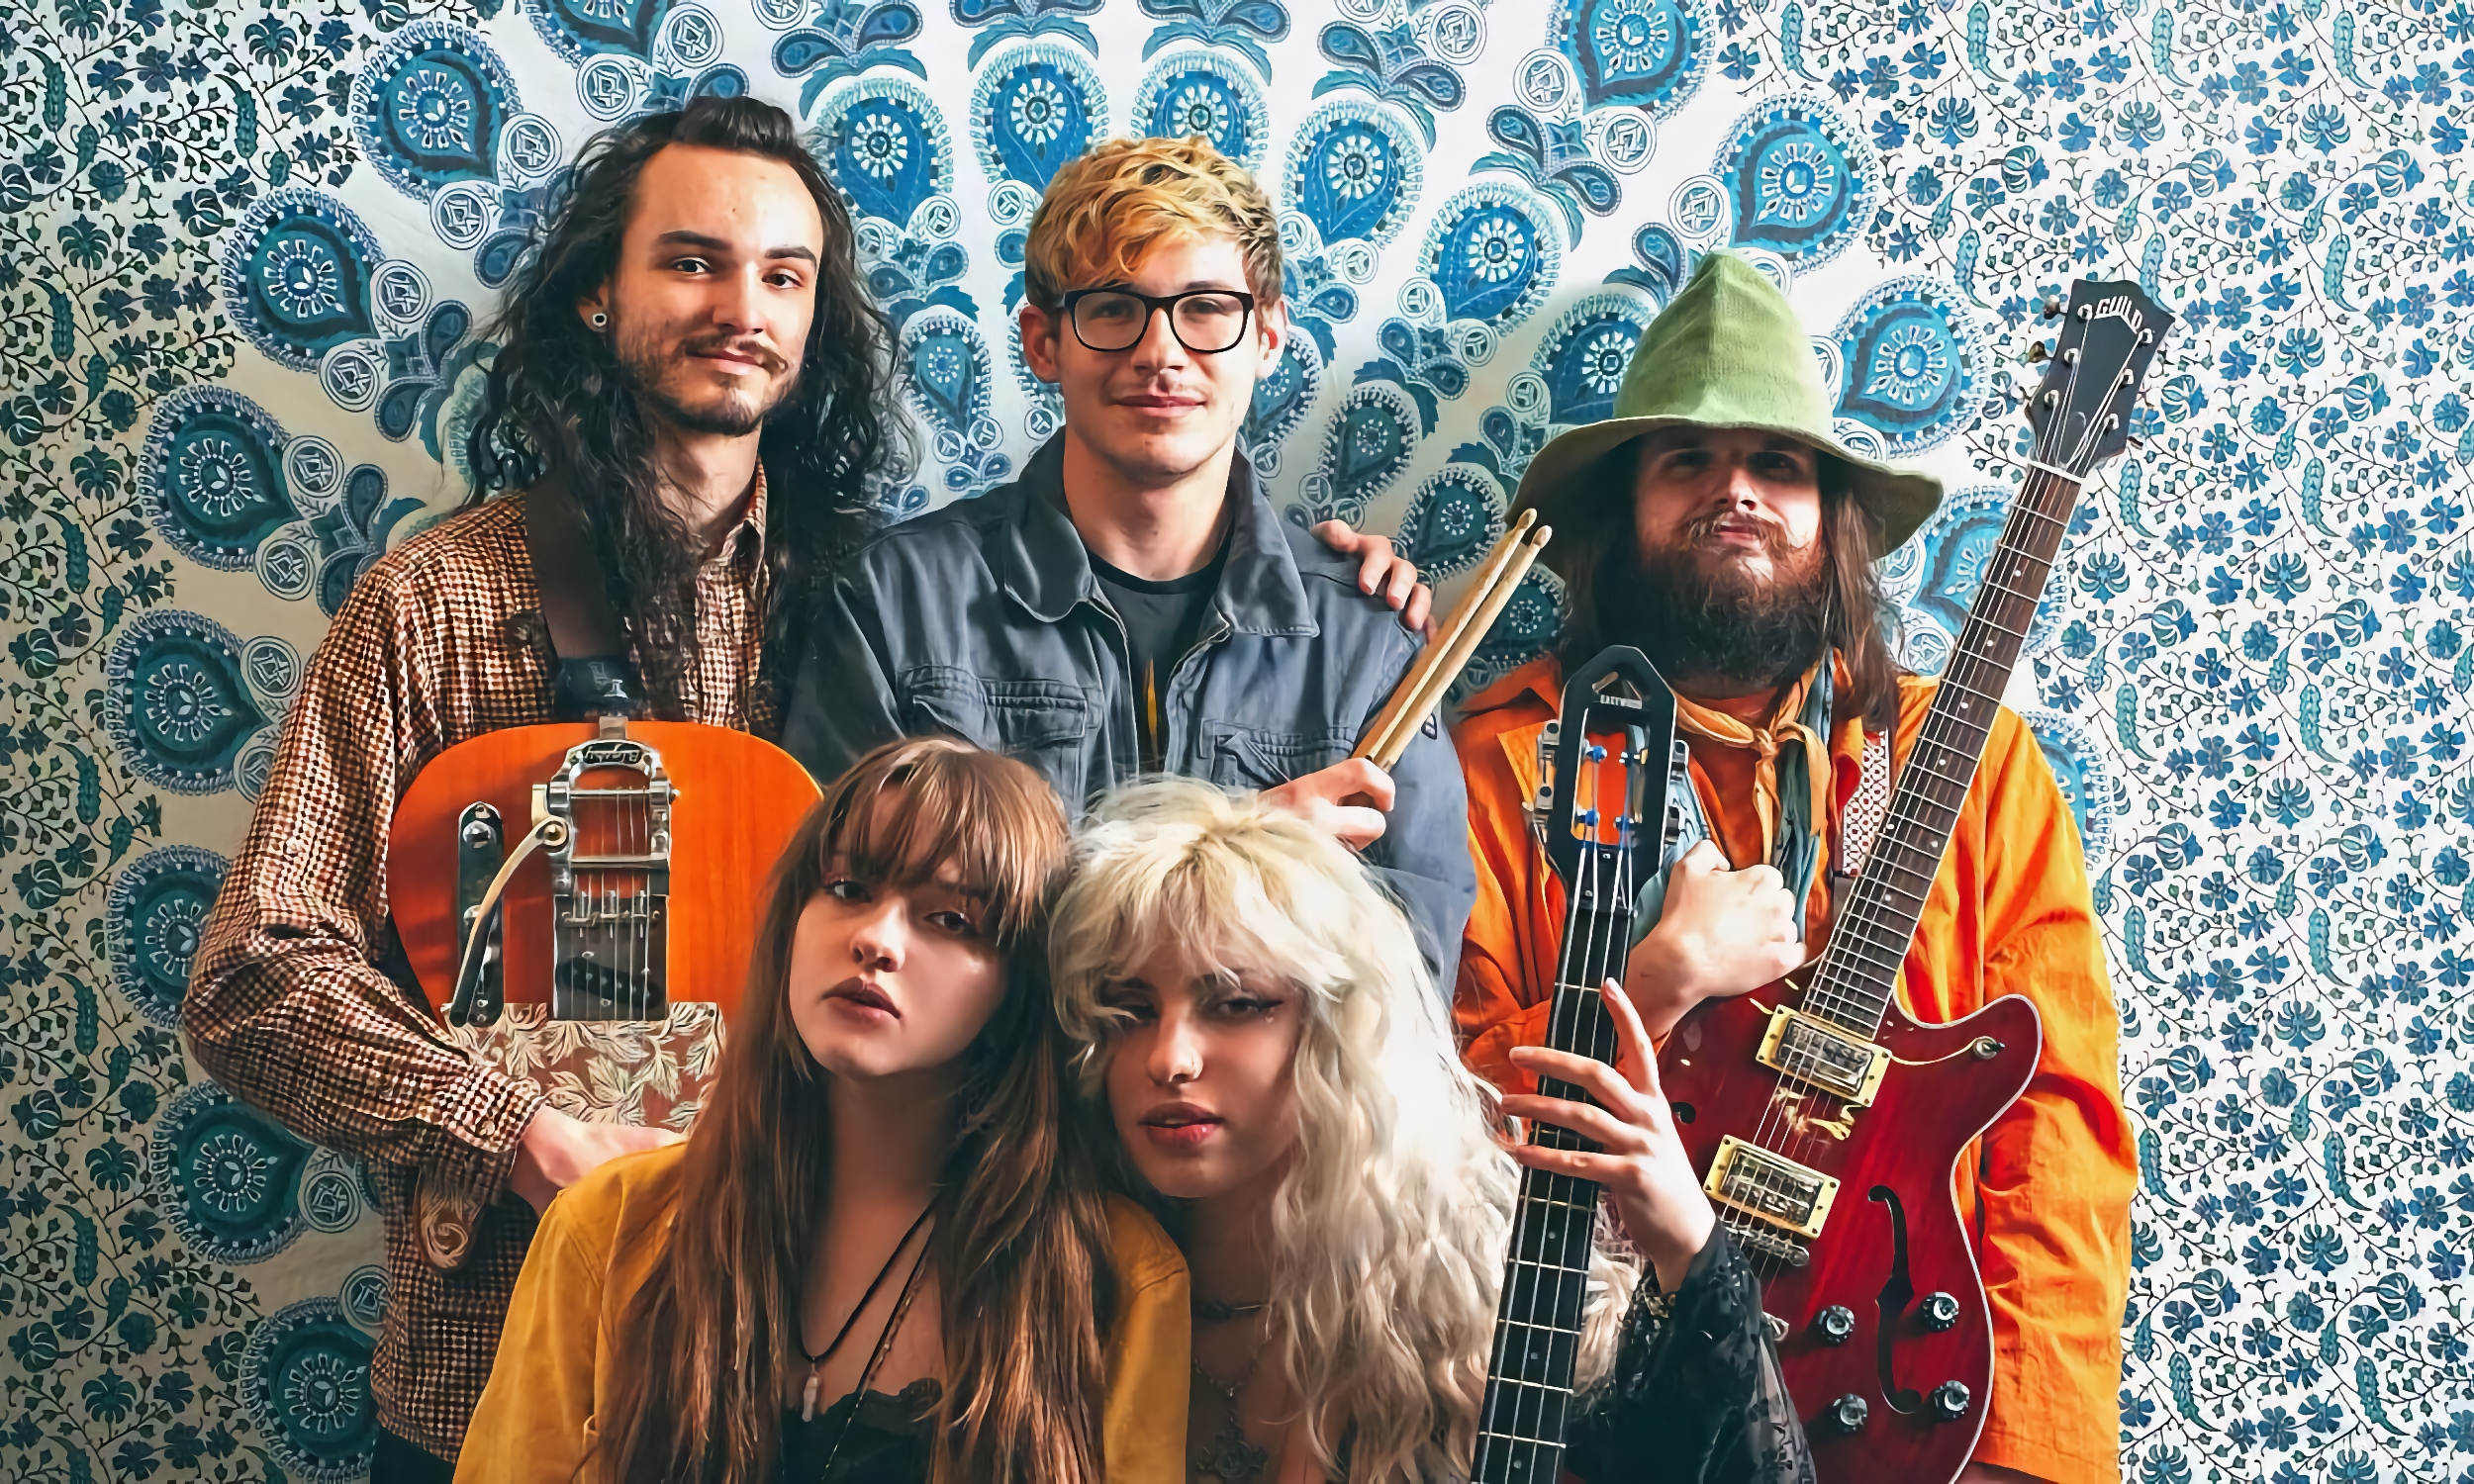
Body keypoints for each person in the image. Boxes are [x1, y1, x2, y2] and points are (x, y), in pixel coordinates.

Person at [183, 97, 1415, 1478]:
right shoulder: (445, 602)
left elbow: (966, 931)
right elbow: (253, 974)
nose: (741, 307)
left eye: (785, 275)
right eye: (692, 262)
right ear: (599, 291)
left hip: (816, 1372)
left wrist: (1305, 656)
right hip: (506, 1341)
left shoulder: (863, 596)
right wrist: (524, 1135)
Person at [1453, 251, 2134, 1484]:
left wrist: (2028, 1451)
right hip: (1587, 1391)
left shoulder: (1963, 758)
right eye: (1687, 462)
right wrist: (1647, 984)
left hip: (1906, 1383)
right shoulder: (1500, 763)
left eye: (1778, 464)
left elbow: (2059, 1120)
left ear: (1832, 517)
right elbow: (1431, 1111)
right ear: (1624, 507)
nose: (1737, 493)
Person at [780, 135, 1475, 986]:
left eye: (1207, 308)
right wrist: (1236, 854)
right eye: (1112, 308)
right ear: (1043, 342)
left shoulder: (1367, 640)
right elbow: (856, 942)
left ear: (1267, 336)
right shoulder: (899, 603)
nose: (1161, 353)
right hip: (983, 1118)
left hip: (1260, 1124)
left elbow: (1410, 983)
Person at [459, 737, 1189, 1483]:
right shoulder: (607, 1227)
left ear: (1017, 987)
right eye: (846, 887)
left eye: (949, 920)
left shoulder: (1120, 1281)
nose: (874, 938)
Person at [1049, 777, 1812, 1483]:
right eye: (1129, 1009)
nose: (1170, 1059)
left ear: (1338, 1027)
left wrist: (1689, 1252)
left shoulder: (1481, 1300)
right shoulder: (1054, 1291)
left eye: (1236, 1003)